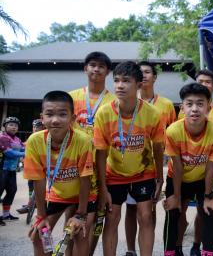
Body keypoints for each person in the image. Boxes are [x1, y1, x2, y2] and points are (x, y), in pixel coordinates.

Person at [94, 61, 164, 256]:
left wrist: (160, 178)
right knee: (112, 218)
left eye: (126, 81)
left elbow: (158, 147)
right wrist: (103, 187)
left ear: (139, 85)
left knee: (146, 218)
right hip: (114, 174)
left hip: (144, 174)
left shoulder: (152, 114)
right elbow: (100, 153)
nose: (119, 86)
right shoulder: (104, 113)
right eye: (116, 81)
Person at [23, 91, 94, 256]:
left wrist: (80, 215)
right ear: (42, 117)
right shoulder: (34, 141)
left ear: (72, 118)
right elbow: (38, 181)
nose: (55, 120)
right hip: (57, 194)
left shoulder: (83, 141)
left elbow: (86, 179)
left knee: (79, 234)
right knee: (39, 234)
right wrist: (41, 216)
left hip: (83, 196)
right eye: (49, 114)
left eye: (62, 114)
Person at [163, 83, 213, 256]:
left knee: (210, 210)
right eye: (189, 104)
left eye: (200, 103)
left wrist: (208, 196)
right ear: (182, 107)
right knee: (173, 213)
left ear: (209, 106)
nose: (195, 109)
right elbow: (177, 167)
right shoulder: (173, 131)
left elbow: (211, 167)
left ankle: (207, 252)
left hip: (202, 178)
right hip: (177, 178)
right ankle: (171, 251)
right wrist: (176, 196)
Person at [124, 60, 176, 256]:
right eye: (140, 72)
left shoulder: (166, 105)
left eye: (147, 72)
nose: (144, 75)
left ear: (155, 77)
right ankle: (130, 250)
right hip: (129, 164)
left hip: (154, 164)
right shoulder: (125, 101)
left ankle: (147, 249)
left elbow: (172, 135)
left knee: (148, 210)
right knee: (130, 209)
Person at [68, 51, 116, 255]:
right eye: (92, 65)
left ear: (107, 72)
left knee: (98, 216)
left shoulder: (114, 101)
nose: (96, 69)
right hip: (76, 164)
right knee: (73, 212)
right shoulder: (72, 97)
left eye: (101, 66)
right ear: (85, 68)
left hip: (104, 165)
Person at [177, 69, 213, 256]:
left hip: (207, 172)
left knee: (205, 212)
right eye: (199, 81)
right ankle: (176, 247)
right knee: (180, 211)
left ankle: (197, 245)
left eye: (207, 81)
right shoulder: (184, 112)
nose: (203, 84)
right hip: (185, 171)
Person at [17, 119, 45, 215]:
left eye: (38, 126)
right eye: (34, 127)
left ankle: (33, 205)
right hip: (33, 166)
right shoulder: (32, 137)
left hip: (44, 166)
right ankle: (31, 203)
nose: (35, 128)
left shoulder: (46, 136)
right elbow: (24, 145)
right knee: (30, 185)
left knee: (41, 186)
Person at [0, 116, 25, 223]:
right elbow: (9, 153)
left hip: (12, 170)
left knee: (12, 191)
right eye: (10, 125)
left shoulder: (17, 139)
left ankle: (6, 215)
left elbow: (24, 148)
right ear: (5, 126)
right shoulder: (2, 137)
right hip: (2, 169)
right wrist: (25, 154)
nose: (13, 127)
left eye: (15, 126)